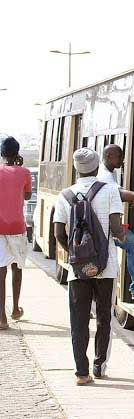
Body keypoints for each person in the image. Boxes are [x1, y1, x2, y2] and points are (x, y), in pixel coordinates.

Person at [54, 148, 125, 385]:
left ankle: (81, 373)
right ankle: (99, 367)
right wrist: (121, 239)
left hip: (78, 270)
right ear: (97, 167)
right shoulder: (110, 190)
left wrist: (76, 254)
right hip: (106, 267)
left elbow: (58, 234)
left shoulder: (64, 195)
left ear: (76, 169)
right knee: (104, 316)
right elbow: (116, 228)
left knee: (79, 319)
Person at [97, 144, 134, 300]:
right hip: (106, 226)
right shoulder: (105, 175)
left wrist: (130, 199)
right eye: (119, 157)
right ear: (108, 156)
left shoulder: (110, 172)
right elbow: (120, 194)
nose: (122, 161)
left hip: (106, 223)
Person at [0, 137, 32, 330]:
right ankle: (15, 309)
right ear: (17, 153)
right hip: (17, 227)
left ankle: (2, 318)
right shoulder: (25, 172)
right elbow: (27, 196)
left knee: (0, 272)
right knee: (17, 268)